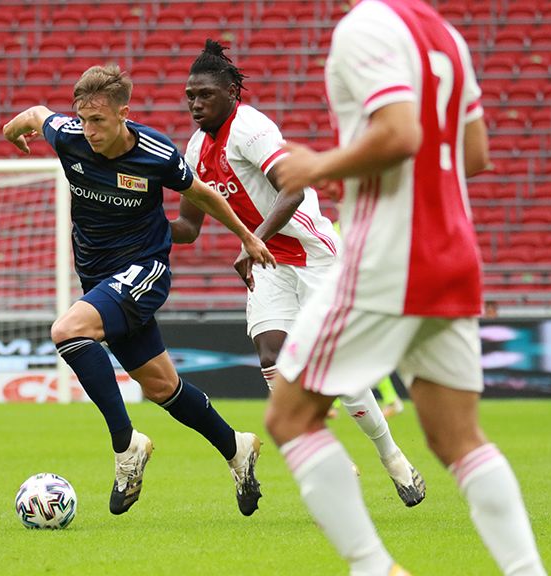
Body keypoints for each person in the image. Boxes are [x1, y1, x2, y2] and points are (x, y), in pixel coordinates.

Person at [265, 1, 547, 574]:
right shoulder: (444, 35)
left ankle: (375, 567)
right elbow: (475, 154)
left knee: (289, 416)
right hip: (453, 253)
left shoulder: (364, 28)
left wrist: (320, 167)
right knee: (457, 439)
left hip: (390, 255)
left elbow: (399, 133)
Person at [1, 64, 277, 517]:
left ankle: (126, 445)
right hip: (99, 278)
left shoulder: (156, 153)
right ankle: (236, 446)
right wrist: (13, 130)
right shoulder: (69, 136)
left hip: (143, 270)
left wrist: (247, 237)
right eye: (83, 119)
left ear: (123, 114)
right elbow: (36, 114)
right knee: (162, 386)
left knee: (68, 330)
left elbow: (203, 194)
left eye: (98, 120)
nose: (89, 130)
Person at [170, 39, 425, 507]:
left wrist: (253, 240)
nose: (196, 104)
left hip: (313, 255)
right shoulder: (196, 148)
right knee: (271, 354)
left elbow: (293, 189)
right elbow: (187, 227)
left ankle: (391, 456)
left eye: (205, 94)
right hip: (267, 260)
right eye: (190, 96)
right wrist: (135, 224)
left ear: (231, 92)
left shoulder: (251, 128)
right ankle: (326, 452)